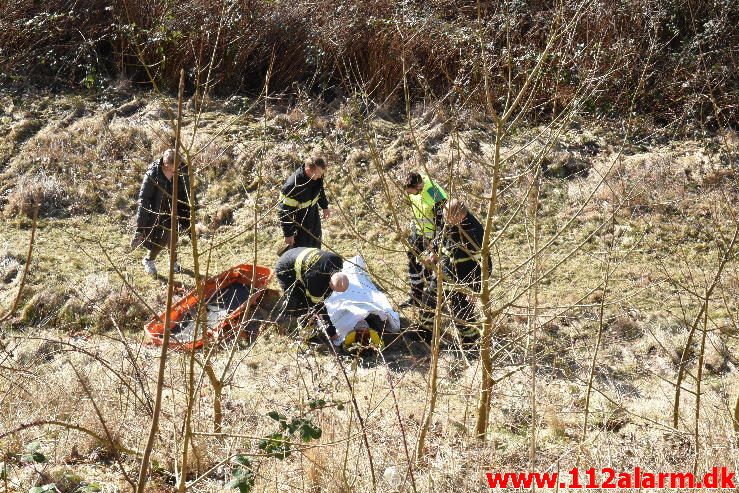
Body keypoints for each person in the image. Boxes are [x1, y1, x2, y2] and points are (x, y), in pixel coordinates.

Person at [419, 199, 488, 347]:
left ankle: (471, 344)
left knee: (461, 313)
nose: (445, 221)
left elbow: (484, 265)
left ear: (460, 216)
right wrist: (434, 252)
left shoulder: (474, 233)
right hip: (444, 272)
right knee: (429, 300)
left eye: (447, 218)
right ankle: (424, 334)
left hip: (464, 280)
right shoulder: (449, 222)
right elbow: (441, 238)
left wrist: (475, 289)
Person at [131, 149, 191, 276]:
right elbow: (144, 199)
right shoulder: (153, 174)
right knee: (164, 238)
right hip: (157, 210)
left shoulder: (181, 170)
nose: (174, 172)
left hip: (174, 208)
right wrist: (140, 226)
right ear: (165, 163)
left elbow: (186, 191)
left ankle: (173, 262)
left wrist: (189, 211)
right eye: (171, 169)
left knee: (174, 237)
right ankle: (149, 260)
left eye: (177, 168)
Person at [274, 247, 349, 343]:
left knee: (309, 298)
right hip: (285, 269)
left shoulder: (337, 261)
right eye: (335, 290)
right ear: (330, 283)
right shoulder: (315, 282)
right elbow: (318, 308)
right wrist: (331, 332)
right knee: (301, 302)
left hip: (297, 254)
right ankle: (305, 334)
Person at [401, 171, 447, 307]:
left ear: (419, 186)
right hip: (419, 234)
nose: (409, 195)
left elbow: (442, 222)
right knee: (413, 261)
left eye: (411, 192)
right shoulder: (414, 189)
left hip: (434, 236)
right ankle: (416, 296)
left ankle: (433, 300)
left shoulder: (434, 192)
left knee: (432, 267)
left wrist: (435, 245)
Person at [279, 154, 330, 250]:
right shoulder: (293, 185)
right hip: (298, 222)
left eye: (321, 174)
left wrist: (325, 207)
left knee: (316, 245)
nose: (320, 177)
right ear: (308, 170)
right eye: (318, 174)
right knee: (301, 251)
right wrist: (288, 234)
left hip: (313, 218)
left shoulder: (317, 177)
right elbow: (284, 211)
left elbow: (320, 191)